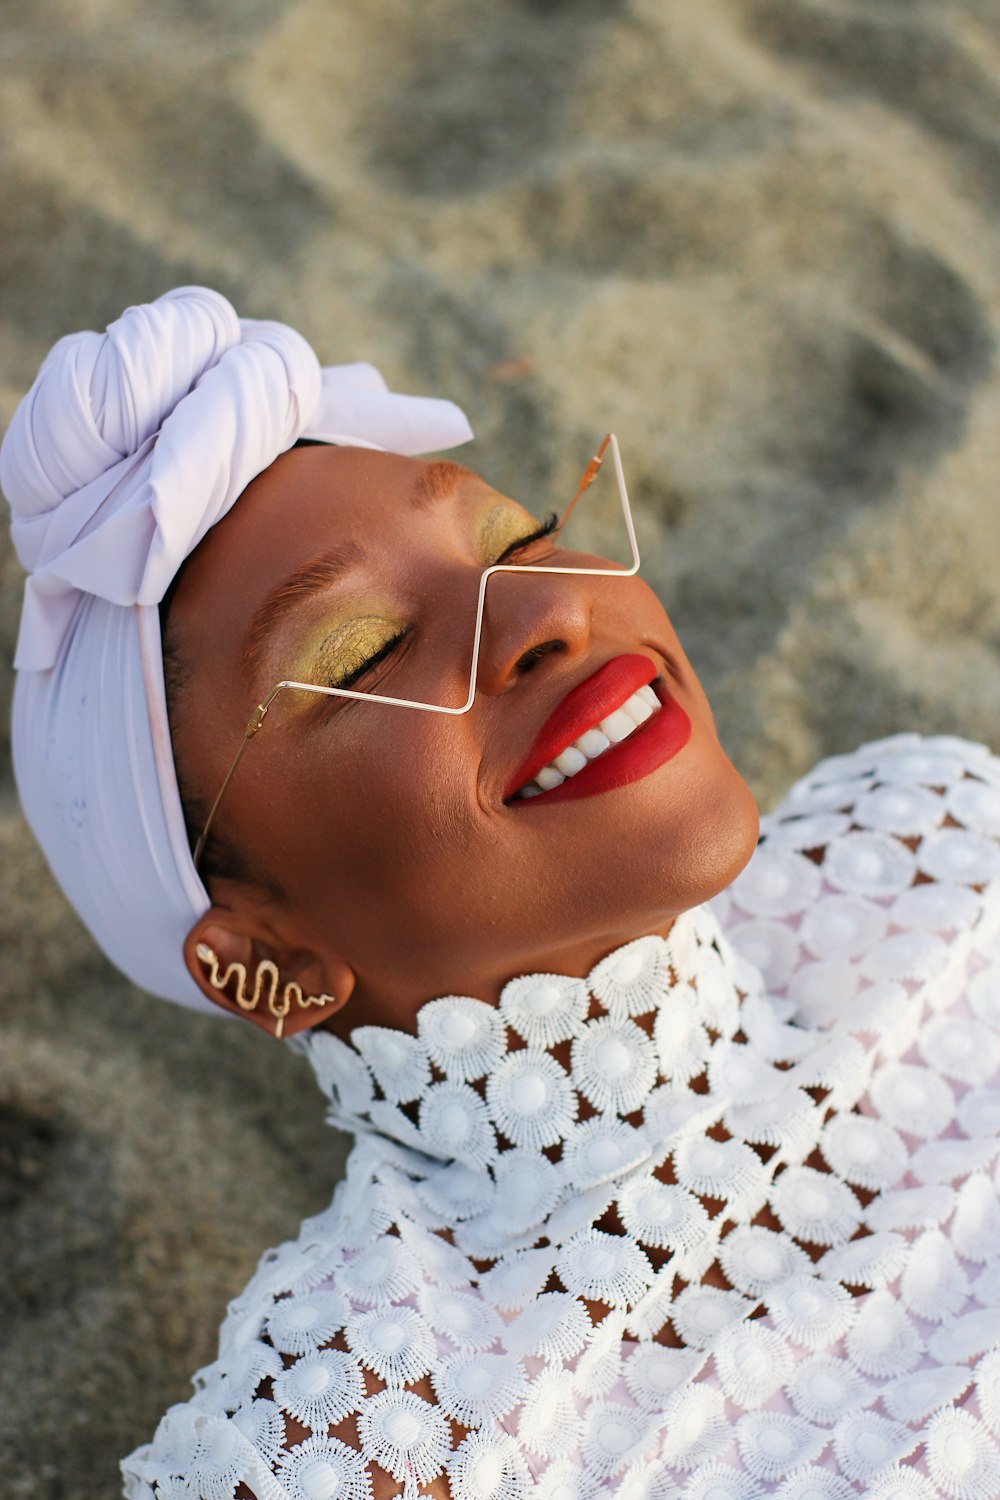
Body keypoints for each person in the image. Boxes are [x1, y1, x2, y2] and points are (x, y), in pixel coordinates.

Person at [4, 287, 1000, 1500]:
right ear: (262, 955)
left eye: (516, 537)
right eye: (360, 654)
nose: (546, 609)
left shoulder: (931, 849)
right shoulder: (367, 1434)